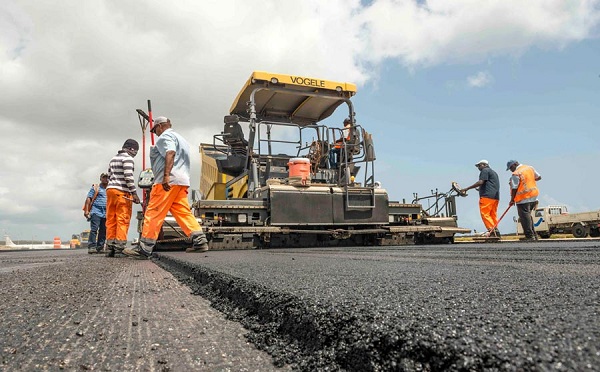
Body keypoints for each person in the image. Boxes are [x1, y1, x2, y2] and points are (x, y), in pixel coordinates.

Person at [123, 117, 209, 259]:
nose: (155, 133)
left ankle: (144, 248)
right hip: (182, 181)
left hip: (168, 182)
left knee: (154, 212)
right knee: (183, 212)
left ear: (161, 126)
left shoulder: (165, 137)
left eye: (155, 129)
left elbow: (170, 152)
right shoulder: (182, 139)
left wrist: (166, 176)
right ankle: (200, 241)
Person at [105, 139, 140, 257]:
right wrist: (134, 193)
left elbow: (109, 175)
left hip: (110, 190)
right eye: (136, 151)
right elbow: (128, 177)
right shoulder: (128, 159)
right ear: (131, 149)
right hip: (122, 192)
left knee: (111, 219)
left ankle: (109, 248)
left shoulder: (113, 158)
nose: (136, 153)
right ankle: (119, 248)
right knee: (122, 219)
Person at [460, 160, 501, 236]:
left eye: (479, 165)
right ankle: (496, 231)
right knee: (492, 214)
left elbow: (481, 182)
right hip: (495, 197)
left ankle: (491, 230)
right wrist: (481, 188)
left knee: (485, 214)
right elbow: (491, 184)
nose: (478, 167)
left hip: (486, 196)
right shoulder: (494, 172)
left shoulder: (485, 171)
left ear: (484, 165)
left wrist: (467, 188)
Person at [506, 160, 542, 241]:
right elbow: (539, 177)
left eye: (511, 168)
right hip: (533, 195)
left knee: (524, 217)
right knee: (528, 216)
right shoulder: (530, 168)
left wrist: (512, 200)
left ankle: (529, 236)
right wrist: (528, 180)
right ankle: (534, 235)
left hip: (523, 197)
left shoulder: (516, 173)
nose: (511, 170)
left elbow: (514, 187)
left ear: (515, 164)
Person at [83, 173, 109, 254]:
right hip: (96, 211)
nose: (106, 179)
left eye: (107, 177)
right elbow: (89, 199)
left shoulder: (110, 189)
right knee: (94, 229)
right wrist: (87, 210)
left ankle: (100, 247)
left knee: (103, 230)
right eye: (104, 177)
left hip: (106, 212)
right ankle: (92, 246)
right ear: (100, 178)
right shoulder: (96, 188)